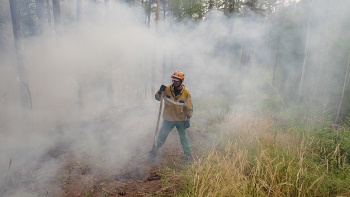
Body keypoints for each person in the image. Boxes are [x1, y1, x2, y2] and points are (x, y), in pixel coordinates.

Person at [149, 70, 193, 162]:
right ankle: (155, 151)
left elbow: (189, 106)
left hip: (180, 119)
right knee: (162, 135)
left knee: (183, 137)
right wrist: (160, 91)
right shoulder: (167, 89)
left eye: (177, 80)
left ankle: (188, 155)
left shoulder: (186, 93)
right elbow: (157, 98)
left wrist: (188, 119)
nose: (175, 82)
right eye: (174, 80)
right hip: (168, 119)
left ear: (181, 81)